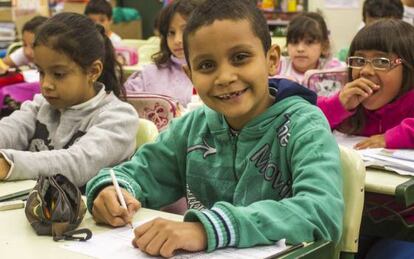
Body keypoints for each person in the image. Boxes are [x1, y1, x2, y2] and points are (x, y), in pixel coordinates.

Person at [86, 0, 344, 257]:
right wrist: (112, 191)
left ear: (272, 60)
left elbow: (322, 213)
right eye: (207, 65)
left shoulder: (305, 126)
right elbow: (139, 173)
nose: (225, 77)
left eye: (240, 57)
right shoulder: (192, 127)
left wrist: (207, 229)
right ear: (191, 75)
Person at [0, 13, 139, 188]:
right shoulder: (41, 105)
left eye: (58, 74)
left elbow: (76, 164)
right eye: (41, 72)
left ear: (93, 71)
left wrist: (9, 163)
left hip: (86, 214)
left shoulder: (119, 118)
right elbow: (10, 129)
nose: (46, 84)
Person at [318, 19, 414, 150]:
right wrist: (338, 105)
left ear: (409, 67)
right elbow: (303, 121)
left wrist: (391, 138)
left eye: (381, 61)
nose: (365, 71)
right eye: (359, 60)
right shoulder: (350, 103)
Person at [123, 0, 197, 107]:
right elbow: (123, 99)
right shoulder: (150, 72)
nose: (177, 40)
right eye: (171, 33)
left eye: (185, 31)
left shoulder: (209, 71)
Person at [276, 12, 345, 85]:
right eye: (294, 42)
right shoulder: (277, 67)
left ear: (324, 46)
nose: (300, 49)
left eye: (309, 42)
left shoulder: (333, 71)